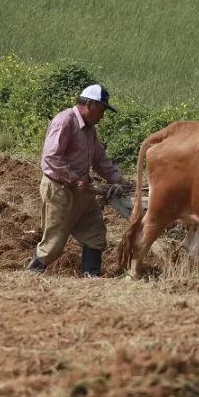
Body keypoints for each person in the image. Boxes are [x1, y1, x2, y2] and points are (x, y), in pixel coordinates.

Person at [27, 83, 128, 277]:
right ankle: (31, 276)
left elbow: (99, 160)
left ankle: (91, 277)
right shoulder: (65, 121)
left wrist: (119, 180)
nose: (102, 116)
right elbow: (51, 158)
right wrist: (74, 179)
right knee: (53, 244)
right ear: (90, 104)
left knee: (95, 233)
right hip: (60, 190)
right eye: (101, 110)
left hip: (82, 191)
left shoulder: (90, 130)